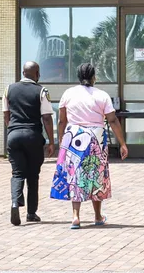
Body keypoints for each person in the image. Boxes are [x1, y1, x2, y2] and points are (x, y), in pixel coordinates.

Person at [50, 63, 129, 229]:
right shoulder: (102, 95)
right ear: (94, 77)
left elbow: (62, 120)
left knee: (75, 174)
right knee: (96, 175)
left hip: (74, 137)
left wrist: (61, 140)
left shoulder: (68, 93)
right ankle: (98, 216)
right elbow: (113, 120)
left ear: (79, 77)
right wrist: (122, 143)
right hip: (96, 137)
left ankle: (75, 217)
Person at [2, 61, 55, 226]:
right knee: (33, 176)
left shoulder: (9, 89)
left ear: (23, 73)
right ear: (37, 74)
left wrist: (12, 130)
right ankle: (31, 213)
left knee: (17, 173)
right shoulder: (41, 91)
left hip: (14, 135)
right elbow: (46, 117)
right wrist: (52, 141)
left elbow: (6, 115)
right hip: (33, 136)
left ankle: (15, 202)